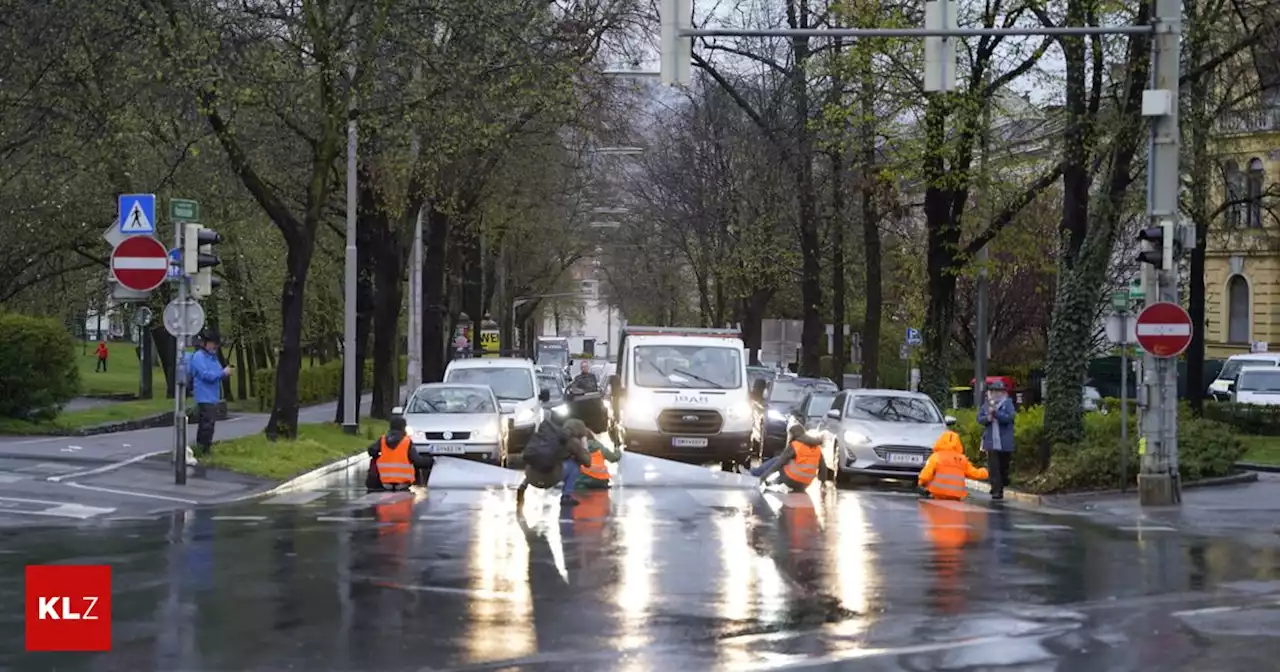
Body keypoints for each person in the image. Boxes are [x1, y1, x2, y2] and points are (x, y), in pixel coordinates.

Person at [517, 412, 592, 508]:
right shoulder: (573, 442)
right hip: (548, 479)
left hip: (531, 477)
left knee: (539, 458)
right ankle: (566, 496)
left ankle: (523, 485)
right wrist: (584, 444)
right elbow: (588, 462)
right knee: (575, 466)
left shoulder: (551, 436)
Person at [187, 332, 233, 464]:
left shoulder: (212, 357)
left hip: (212, 396)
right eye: (213, 344)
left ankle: (205, 448)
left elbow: (216, 372)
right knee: (206, 424)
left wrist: (224, 372)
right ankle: (202, 449)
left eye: (216, 345)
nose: (215, 347)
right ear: (206, 344)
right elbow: (206, 375)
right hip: (203, 395)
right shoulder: (199, 357)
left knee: (209, 424)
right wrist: (223, 373)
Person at [744, 424, 823, 492]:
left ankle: (755, 473)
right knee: (787, 463)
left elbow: (777, 465)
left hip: (791, 480)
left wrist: (762, 478)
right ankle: (767, 481)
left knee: (778, 460)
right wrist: (822, 482)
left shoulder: (796, 445)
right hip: (806, 484)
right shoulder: (817, 448)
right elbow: (823, 467)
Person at [365, 416, 435, 491]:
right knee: (413, 463)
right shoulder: (407, 441)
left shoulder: (382, 440)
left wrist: (379, 456)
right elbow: (417, 461)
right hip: (403, 484)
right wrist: (431, 461)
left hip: (385, 483)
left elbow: (371, 451)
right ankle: (419, 484)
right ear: (403, 427)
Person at [917, 429, 988, 500]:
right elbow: (974, 473)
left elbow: (926, 473)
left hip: (937, 493)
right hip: (956, 495)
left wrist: (920, 483)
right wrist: (985, 472)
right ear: (958, 443)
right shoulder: (962, 460)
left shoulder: (935, 456)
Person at [977, 379, 1016, 500]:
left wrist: (996, 414)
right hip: (991, 441)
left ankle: (1002, 484)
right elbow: (979, 418)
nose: (997, 393)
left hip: (1004, 441)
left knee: (1004, 466)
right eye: (994, 391)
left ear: (1003, 392)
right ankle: (996, 491)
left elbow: (1009, 418)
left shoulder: (1008, 403)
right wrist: (988, 418)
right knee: (994, 467)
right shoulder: (987, 404)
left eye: (999, 391)